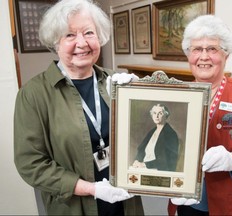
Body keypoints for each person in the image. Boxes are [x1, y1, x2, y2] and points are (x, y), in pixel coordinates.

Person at [13, 0, 143, 215]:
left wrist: (139, 98)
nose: (81, 43)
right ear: (56, 43)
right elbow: (30, 163)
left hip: (125, 201)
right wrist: (90, 189)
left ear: (99, 37)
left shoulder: (117, 81)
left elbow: (144, 134)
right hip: (76, 206)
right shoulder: (34, 94)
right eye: (69, 35)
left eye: (89, 33)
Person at [170, 15, 232, 215]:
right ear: (188, 55)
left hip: (230, 203)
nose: (203, 56)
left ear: (226, 54)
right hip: (186, 200)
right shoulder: (176, 96)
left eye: (212, 49)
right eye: (196, 49)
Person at [132, 103, 179, 172]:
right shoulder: (152, 131)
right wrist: (137, 160)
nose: (156, 116)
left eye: (160, 113)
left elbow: (166, 160)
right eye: (154, 113)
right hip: (145, 167)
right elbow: (141, 149)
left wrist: (145, 165)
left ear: (166, 115)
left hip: (159, 170)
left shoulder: (170, 134)